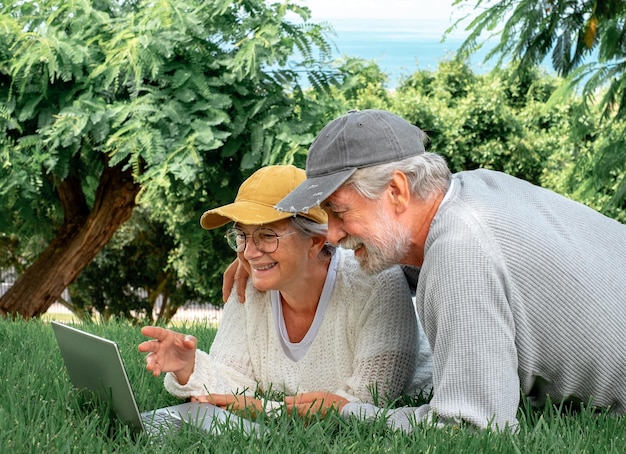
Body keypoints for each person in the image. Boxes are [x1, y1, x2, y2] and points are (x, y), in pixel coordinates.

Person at [226, 109, 626, 431]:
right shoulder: (473, 193)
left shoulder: (460, 252)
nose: (331, 233)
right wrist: (269, 256)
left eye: (339, 211)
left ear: (397, 190)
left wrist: (344, 409)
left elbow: (471, 425)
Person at [138, 165, 433, 418]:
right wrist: (189, 368)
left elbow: (365, 403)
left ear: (315, 242)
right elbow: (232, 383)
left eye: (267, 235)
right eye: (242, 235)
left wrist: (262, 410)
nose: (250, 253)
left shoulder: (376, 283)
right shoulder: (252, 286)